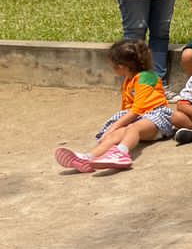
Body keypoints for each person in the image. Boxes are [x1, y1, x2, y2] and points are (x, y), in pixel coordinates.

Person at [54, 40, 172, 172]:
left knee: (132, 128)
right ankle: (87, 158)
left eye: (112, 65)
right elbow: (128, 108)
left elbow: (137, 110)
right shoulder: (129, 80)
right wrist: (113, 130)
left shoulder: (146, 77)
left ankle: (121, 154)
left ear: (121, 66)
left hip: (157, 117)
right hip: (141, 120)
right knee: (113, 136)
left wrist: (114, 126)